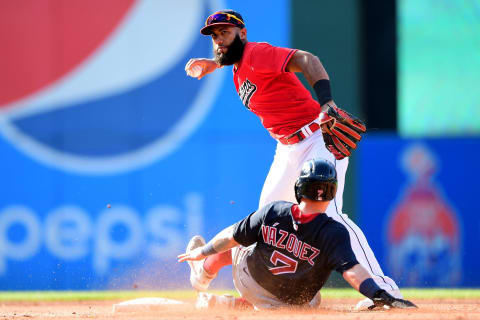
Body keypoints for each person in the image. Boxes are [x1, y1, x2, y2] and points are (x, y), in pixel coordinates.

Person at [185, 10, 400, 309]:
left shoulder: (257, 53)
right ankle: (237, 282)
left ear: (243, 34)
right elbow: (236, 60)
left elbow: (308, 59)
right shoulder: (237, 66)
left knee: (331, 215)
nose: (219, 39)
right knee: (263, 228)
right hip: (286, 149)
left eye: (225, 33)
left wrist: (326, 101)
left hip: (316, 139)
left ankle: (386, 293)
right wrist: (213, 64)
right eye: (215, 36)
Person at [178, 159, 417, 310]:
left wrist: (202, 251)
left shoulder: (274, 211)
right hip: (291, 304)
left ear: (298, 188)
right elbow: (352, 271)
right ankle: (237, 304)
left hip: (248, 281)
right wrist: (378, 294)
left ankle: (204, 276)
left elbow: (230, 236)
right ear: (332, 193)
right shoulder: (333, 232)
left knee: (239, 241)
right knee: (314, 301)